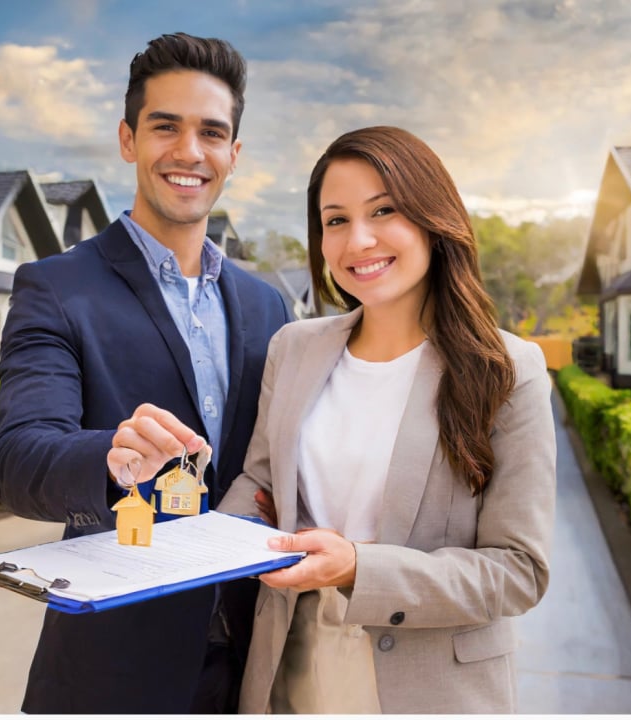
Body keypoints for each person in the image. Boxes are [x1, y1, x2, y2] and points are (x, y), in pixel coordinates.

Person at [0, 33, 291, 714]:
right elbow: (17, 459)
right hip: (111, 675)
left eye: (211, 133)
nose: (189, 152)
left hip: (252, 666)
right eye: (165, 127)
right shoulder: (56, 287)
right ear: (128, 140)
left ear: (233, 155)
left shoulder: (266, 305)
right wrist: (112, 457)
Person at [217, 125, 557, 714]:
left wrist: (359, 567)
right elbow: (261, 484)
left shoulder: (507, 369)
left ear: (433, 218)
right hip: (291, 668)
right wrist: (207, 528)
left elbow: (518, 571)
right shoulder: (293, 348)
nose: (359, 241)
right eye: (336, 220)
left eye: (384, 210)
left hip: (431, 690)